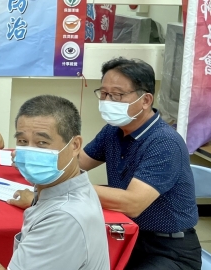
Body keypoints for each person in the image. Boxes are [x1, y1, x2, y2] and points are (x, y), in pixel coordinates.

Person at [0, 95, 108, 270]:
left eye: (42, 143)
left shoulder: (64, 219)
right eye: (23, 141)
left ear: (75, 145)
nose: (30, 152)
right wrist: (35, 200)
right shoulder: (73, 185)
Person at [81, 57, 201, 270]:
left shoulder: (164, 142)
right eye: (104, 93)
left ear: (145, 100)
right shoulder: (113, 130)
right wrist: (39, 159)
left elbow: (132, 204)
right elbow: (77, 164)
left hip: (168, 249)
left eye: (117, 95)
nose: (107, 101)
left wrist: (68, 187)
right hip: (126, 235)